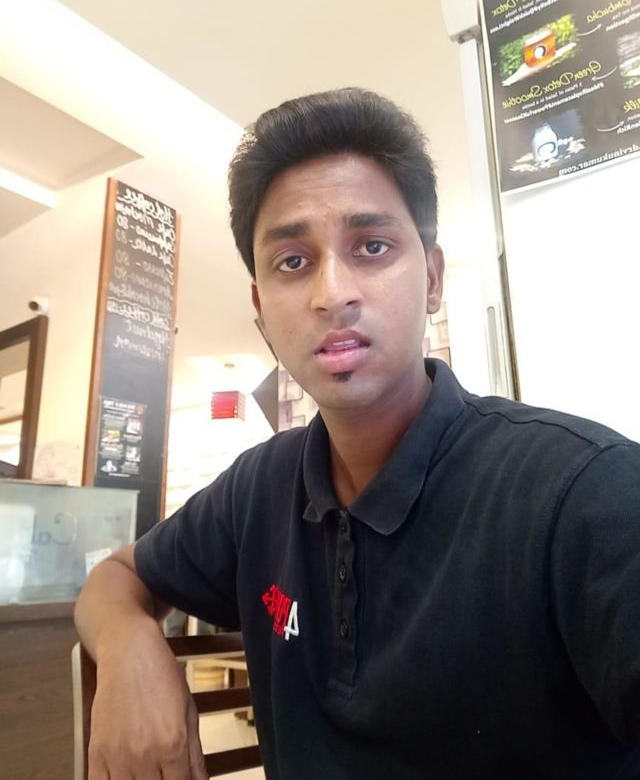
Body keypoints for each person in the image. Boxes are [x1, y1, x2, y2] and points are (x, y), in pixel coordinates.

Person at [75, 87, 640, 780]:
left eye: (372, 246)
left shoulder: (586, 493)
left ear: (432, 278)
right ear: (260, 310)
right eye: (293, 261)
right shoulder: (259, 487)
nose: (332, 293)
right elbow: (116, 577)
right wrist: (129, 646)